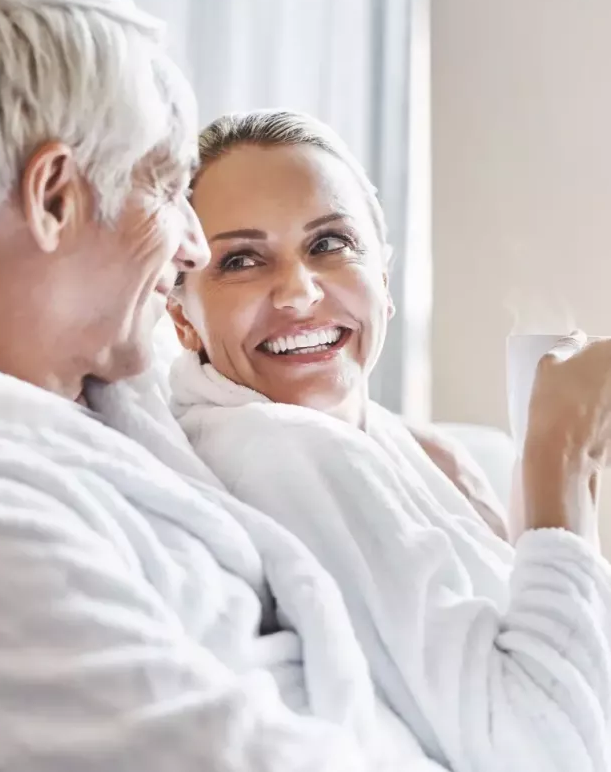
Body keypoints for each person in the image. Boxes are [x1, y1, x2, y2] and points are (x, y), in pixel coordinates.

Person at [0, 0, 446, 771]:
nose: (193, 245)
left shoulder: (104, 410)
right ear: (54, 196)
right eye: (163, 186)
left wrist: (413, 450)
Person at [167, 108, 611, 772]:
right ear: (183, 320)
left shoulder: (405, 448)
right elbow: (548, 752)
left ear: (385, 278)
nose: (297, 292)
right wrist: (559, 464)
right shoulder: (282, 451)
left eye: (328, 244)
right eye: (241, 260)